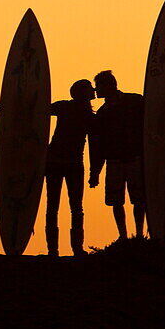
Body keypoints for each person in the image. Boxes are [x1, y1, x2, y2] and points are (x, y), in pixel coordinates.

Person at [88, 70, 146, 241]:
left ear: (108, 85)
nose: (96, 90)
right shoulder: (102, 113)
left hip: (135, 159)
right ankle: (123, 236)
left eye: (98, 86)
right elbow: (97, 145)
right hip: (113, 162)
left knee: (139, 198)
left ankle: (139, 234)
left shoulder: (135, 101)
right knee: (116, 201)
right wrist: (95, 172)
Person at [44, 79, 95, 256]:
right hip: (65, 163)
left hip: (62, 162)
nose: (93, 90)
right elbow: (39, 110)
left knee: (56, 206)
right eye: (90, 88)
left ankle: (56, 250)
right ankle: (73, 249)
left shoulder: (70, 109)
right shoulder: (75, 111)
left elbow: (38, 110)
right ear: (82, 93)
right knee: (73, 207)